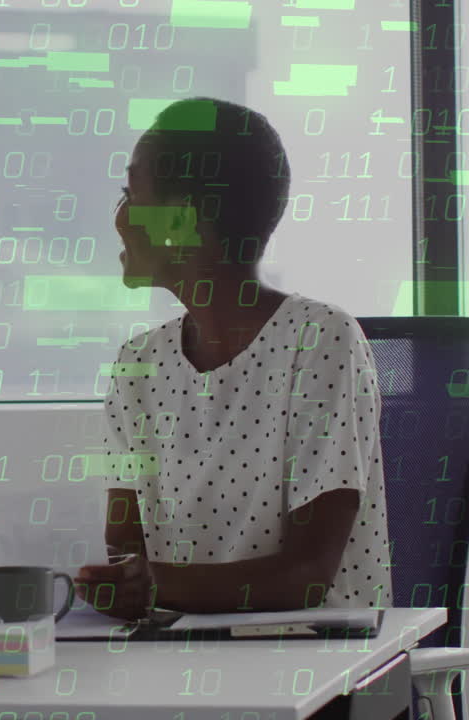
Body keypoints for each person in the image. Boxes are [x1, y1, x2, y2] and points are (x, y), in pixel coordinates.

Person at [74, 97, 393, 617]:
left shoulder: (320, 339)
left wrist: (150, 586)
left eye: (130, 194)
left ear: (179, 221)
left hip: (314, 668)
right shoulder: (137, 362)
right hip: (177, 660)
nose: (118, 217)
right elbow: (126, 551)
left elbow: (308, 577)